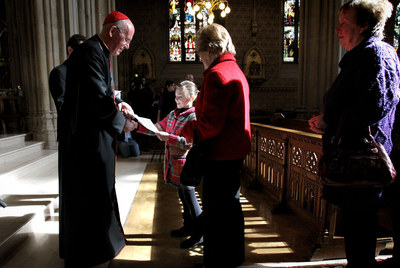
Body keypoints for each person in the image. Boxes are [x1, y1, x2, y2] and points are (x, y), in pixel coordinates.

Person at [308, 1, 400, 267]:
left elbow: (373, 107)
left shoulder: (374, 55)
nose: (337, 29)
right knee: (357, 228)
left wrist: (330, 121)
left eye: (344, 23)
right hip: (358, 162)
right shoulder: (366, 54)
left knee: (360, 230)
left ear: (364, 25)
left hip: (364, 163)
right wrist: (329, 120)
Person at [59, 11, 137, 267]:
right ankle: (91, 250)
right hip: (85, 143)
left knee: (98, 192)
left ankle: (101, 245)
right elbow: (97, 99)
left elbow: (107, 92)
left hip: (92, 139)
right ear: (113, 32)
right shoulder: (91, 51)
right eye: (126, 40)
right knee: (89, 196)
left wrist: (121, 103)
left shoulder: (98, 51)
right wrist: (123, 124)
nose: (126, 46)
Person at [183, 23, 251, 267]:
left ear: (210, 49)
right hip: (233, 153)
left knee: (216, 212)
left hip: (219, 154)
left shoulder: (216, 75)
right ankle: (232, 257)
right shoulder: (235, 69)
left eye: (199, 51)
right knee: (230, 209)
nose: (199, 57)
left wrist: (186, 127)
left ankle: (217, 260)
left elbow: (210, 125)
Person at [136, 80, 203, 249]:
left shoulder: (193, 116)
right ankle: (188, 227)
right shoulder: (173, 114)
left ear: (192, 97)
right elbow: (158, 127)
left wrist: (169, 138)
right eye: (175, 96)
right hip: (174, 164)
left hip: (186, 165)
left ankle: (199, 234)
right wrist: (137, 126)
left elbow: (189, 142)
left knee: (190, 198)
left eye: (180, 97)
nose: (176, 100)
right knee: (183, 198)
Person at [48, 34, 86, 137]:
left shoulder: (85, 72)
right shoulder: (59, 72)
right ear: (70, 50)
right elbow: (62, 105)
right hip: (70, 134)